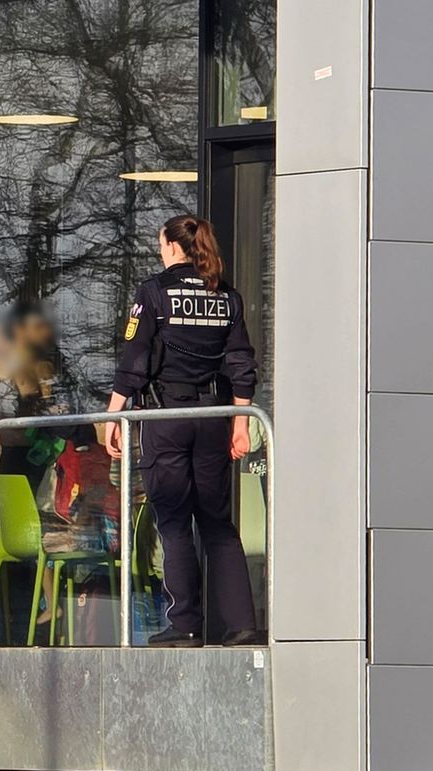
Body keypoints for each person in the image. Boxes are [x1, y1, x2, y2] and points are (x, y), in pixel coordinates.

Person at [104, 214, 264, 648]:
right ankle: (242, 624)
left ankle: (185, 625)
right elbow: (241, 365)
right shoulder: (226, 296)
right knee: (217, 523)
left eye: (161, 245)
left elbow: (135, 359)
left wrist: (113, 416)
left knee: (173, 521)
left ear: (174, 248)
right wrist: (240, 422)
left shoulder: (154, 293)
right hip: (213, 418)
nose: (161, 252)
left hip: (165, 418)